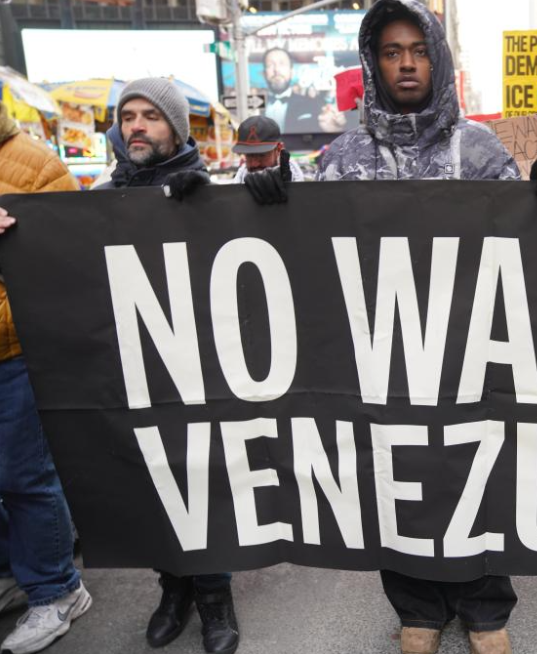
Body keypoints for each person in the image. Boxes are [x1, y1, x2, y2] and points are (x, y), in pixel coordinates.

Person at [243, 2, 520, 652]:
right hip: (382, 368)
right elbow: (303, 243)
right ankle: (417, 604)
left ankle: (485, 606)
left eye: (417, 50)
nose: (405, 63)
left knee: (476, 478)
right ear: (373, 60)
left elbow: (525, 240)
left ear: (437, 58)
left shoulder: (478, 148)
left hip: (468, 360)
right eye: (391, 51)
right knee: (396, 487)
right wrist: (272, 198)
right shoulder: (344, 155)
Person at [96, 78, 240, 654]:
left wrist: (206, 211)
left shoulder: (206, 190)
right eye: (128, 116)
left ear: (176, 129)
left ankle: (214, 595)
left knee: (202, 482)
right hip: (133, 369)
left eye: (151, 117)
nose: (136, 126)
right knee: (150, 482)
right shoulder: (101, 197)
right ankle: (173, 587)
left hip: (198, 370)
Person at [0, 102, 92, 654]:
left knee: (24, 476)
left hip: (14, 351)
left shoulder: (33, 164)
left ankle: (56, 589)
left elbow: (68, 256)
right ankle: (18, 570)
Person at [231, 115, 305, 183]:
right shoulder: (241, 176)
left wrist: (290, 189)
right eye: (249, 155)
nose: (254, 164)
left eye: (262, 155)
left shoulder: (294, 175)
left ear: (279, 149)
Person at [262, 48, 314, 134]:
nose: (276, 70)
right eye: (270, 65)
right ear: (264, 74)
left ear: (292, 72)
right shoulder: (254, 106)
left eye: (282, 64)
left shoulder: (308, 104)